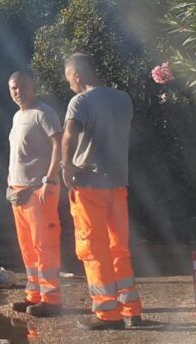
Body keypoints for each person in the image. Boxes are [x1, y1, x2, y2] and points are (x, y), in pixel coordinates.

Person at [61, 53, 143, 330]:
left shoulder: (80, 102)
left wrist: (66, 167)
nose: (69, 85)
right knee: (119, 248)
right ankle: (131, 309)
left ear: (77, 75)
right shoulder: (123, 99)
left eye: (68, 79)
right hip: (118, 185)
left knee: (93, 249)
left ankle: (107, 314)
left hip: (90, 186)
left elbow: (70, 135)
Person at [6, 69, 63, 317]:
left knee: (44, 246)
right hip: (18, 192)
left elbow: (59, 144)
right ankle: (34, 296)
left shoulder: (44, 113)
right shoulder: (18, 117)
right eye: (13, 88)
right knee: (28, 247)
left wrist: (50, 180)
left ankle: (52, 300)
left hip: (39, 191)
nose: (18, 92)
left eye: (22, 86)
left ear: (33, 86)